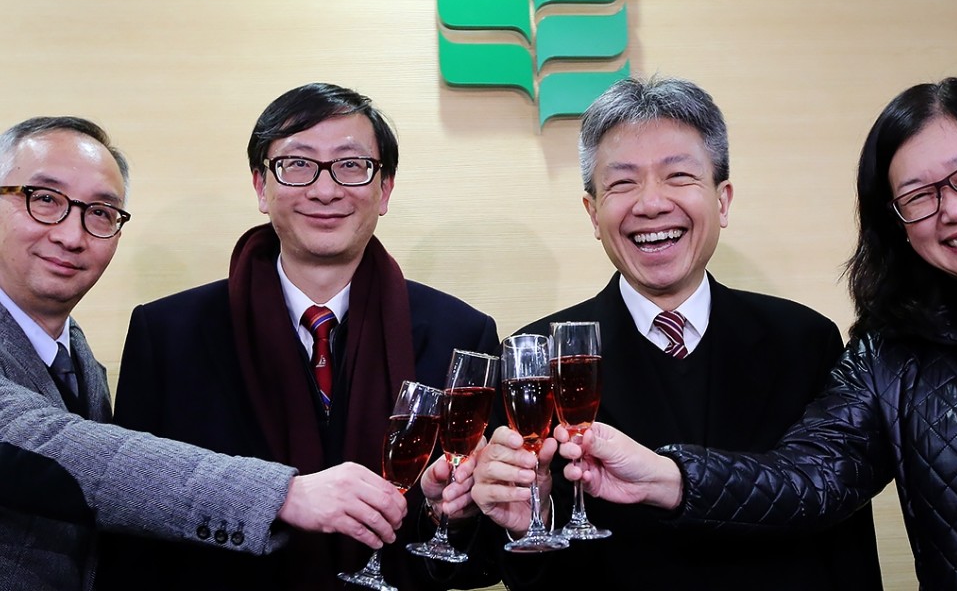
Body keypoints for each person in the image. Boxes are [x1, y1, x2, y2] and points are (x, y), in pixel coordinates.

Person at [555, 76, 957, 590]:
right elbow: (813, 482)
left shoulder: (804, 338)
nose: (953, 209)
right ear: (897, 222)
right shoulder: (892, 354)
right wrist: (669, 477)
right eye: (919, 196)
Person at [467, 76, 883, 590]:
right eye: (622, 183)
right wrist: (530, 518)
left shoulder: (805, 342)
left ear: (723, 199)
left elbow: (840, 538)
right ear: (593, 213)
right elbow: (523, 567)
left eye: (678, 176)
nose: (651, 203)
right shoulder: (534, 357)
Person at [103, 83, 501, 590]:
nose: (325, 189)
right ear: (260, 187)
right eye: (298, 164)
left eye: (352, 165)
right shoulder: (168, 334)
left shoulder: (462, 335)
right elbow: (134, 521)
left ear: (385, 190)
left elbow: (483, 560)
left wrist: (457, 515)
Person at [0, 116, 415, 591]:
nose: (72, 235)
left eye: (100, 212)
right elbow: (60, 449)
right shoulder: (167, 331)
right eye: (44, 199)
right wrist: (283, 495)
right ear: (262, 185)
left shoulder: (79, 361)